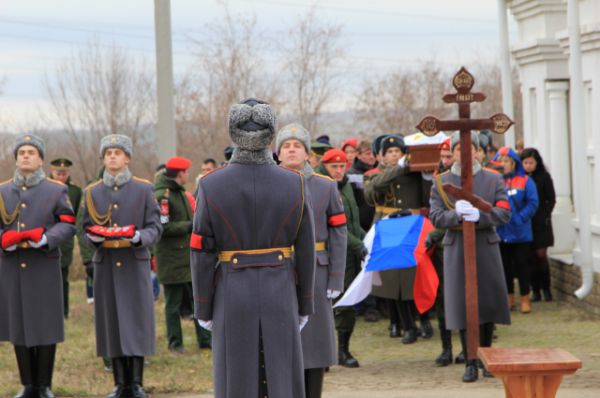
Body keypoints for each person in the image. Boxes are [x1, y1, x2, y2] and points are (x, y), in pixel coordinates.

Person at [191, 98, 315, 398]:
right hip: (281, 291)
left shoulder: (211, 184)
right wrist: (305, 302)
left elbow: (201, 251)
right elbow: (307, 249)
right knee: (283, 376)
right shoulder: (295, 182)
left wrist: (203, 306)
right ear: (271, 135)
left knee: (235, 377)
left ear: (233, 134)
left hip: (232, 293)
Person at [81, 134, 163, 398]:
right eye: (108, 153)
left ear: (127, 158)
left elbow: (155, 227)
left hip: (134, 261)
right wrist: (92, 238)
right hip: (105, 263)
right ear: (103, 159)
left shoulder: (143, 189)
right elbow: (83, 229)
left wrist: (139, 237)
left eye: (117, 152)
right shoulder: (92, 192)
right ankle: (119, 384)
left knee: (136, 321)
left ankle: (136, 383)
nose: (112, 157)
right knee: (111, 322)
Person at [429, 131, 512, 382]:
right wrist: (456, 216)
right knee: (463, 304)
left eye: (470, 148)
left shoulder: (493, 179)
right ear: (452, 152)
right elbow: (435, 216)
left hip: (485, 244)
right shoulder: (441, 182)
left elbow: (504, 212)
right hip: (456, 247)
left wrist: (482, 216)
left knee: (486, 302)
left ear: (477, 151)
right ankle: (470, 360)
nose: (464, 154)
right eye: (458, 149)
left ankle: (487, 358)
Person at [0, 134, 76, 398]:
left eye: (31, 152)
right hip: (12, 265)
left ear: (41, 159)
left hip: (43, 264)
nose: (26, 156)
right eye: (21, 152)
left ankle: (44, 385)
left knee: (45, 324)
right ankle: (27, 384)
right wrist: (4, 240)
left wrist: (47, 239)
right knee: (18, 323)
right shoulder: (2, 190)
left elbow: (67, 223)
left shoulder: (56, 190)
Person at [277, 123, 347, 398]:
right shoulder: (268, 184)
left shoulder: (325, 186)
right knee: (282, 339)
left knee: (314, 343)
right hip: (279, 268)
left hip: (317, 270)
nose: (292, 149)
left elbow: (339, 232)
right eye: (286, 145)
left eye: (297, 145)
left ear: (308, 154)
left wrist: (337, 276)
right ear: (278, 153)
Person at [364, 135, 432, 344]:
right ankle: (407, 325)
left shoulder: (413, 174)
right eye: (390, 152)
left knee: (416, 276)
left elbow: (427, 197)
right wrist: (400, 167)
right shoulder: (376, 175)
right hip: (388, 228)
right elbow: (372, 192)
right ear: (382, 156)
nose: (395, 155)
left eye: (398, 152)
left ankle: (425, 320)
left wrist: (427, 176)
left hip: (412, 226)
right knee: (396, 280)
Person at [154, 156, 211, 353]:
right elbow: (163, 226)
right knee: (173, 304)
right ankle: (175, 343)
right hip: (170, 259)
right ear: (180, 173)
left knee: (197, 301)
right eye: (186, 172)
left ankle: (205, 340)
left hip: (186, 258)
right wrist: (189, 225)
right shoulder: (164, 196)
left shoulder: (180, 193)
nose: (188, 175)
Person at [316, 148, 366, 368]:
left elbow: (352, 223)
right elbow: (333, 228)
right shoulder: (319, 185)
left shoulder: (346, 185)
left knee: (347, 302)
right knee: (327, 305)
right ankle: (322, 353)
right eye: (333, 166)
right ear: (324, 166)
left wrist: (369, 239)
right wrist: (360, 245)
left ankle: (343, 350)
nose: (338, 170)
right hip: (330, 253)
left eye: (341, 166)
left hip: (350, 253)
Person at [493, 146, 539, 313]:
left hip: (521, 232)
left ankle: (525, 298)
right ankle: (509, 298)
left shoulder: (525, 181)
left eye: (506, 161)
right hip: (501, 231)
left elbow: (533, 202)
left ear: (513, 163)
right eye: (501, 161)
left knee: (522, 265)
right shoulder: (495, 180)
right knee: (505, 267)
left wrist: (520, 218)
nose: (503, 164)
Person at [521, 147, 556, 302]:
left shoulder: (544, 177)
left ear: (537, 163)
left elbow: (551, 198)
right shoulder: (520, 178)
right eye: (525, 162)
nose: (528, 165)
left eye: (531, 162)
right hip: (526, 222)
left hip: (542, 223)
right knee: (530, 257)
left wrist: (545, 214)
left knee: (541, 255)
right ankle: (535, 290)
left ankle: (546, 288)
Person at [49, 158, 83, 319]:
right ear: (52, 172)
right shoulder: (45, 188)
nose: (61, 176)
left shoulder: (75, 191)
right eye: (58, 173)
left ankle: (64, 311)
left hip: (65, 241)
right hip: (47, 236)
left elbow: (77, 217)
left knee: (63, 276)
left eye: (64, 173)